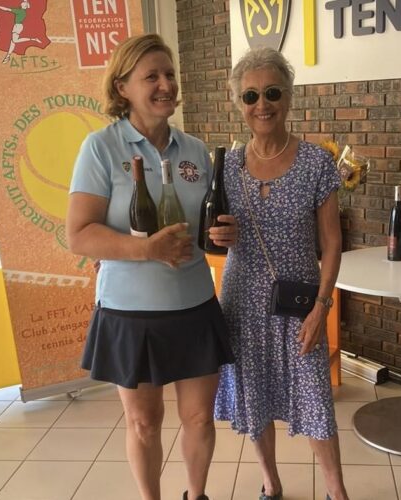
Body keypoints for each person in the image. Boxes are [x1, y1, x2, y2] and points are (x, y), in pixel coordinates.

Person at [66, 34, 237, 500]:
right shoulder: (101, 148)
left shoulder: (195, 150)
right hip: (130, 311)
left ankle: (196, 495)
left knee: (199, 418)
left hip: (194, 304)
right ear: (122, 87)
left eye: (170, 75)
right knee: (144, 422)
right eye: (152, 77)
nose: (166, 85)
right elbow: (79, 234)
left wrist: (223, 235)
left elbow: (207, 225)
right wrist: (147, 250)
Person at [213, 47, 349, 500]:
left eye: (272, 92)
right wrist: (218, 236)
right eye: (250, 95)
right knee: (254, 398)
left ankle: (336, 491)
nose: (262, 104)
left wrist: (322, 306)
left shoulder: (316, 163)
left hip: (300, 305)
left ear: (289, 97)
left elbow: (332, 244)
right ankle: (271, 484)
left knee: (315, 399)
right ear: (240, 104)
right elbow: (209, 235)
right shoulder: (227, 167)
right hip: (242, 303)